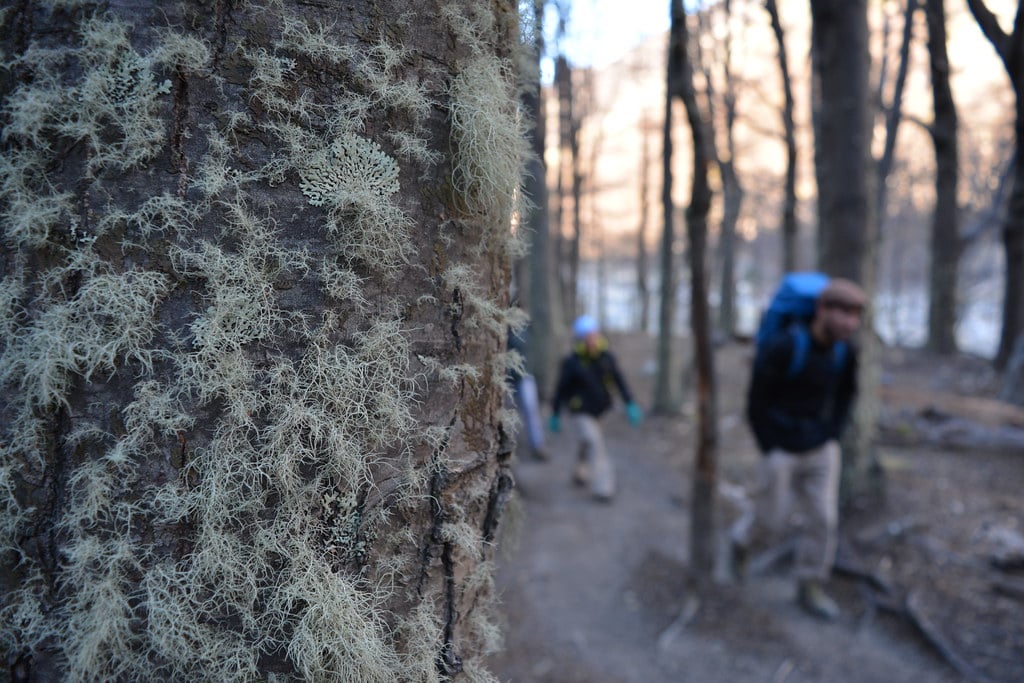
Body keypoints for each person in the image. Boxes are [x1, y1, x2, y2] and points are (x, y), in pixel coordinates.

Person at [731, 277, 866, 620]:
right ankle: (741, 542)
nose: (851, 322)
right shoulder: (785, 346)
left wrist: (832, 433)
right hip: (781, 449)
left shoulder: (844, 351)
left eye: (855, 314)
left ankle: (810, 585)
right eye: (844, 313)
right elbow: (756, 401)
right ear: (822, 310)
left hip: (821, 448)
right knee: (770, 519)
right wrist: (771, 446)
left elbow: (847, 395)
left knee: (823, 519)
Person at [549, 315, 642, 502]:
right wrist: (555, 413)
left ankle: (580, 471)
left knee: (587, 442)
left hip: (600, 410)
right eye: (587, 336)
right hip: (579, 412)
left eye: (593, 334)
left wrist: (629, 402)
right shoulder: (572, 361)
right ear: (580, 338)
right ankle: (603, 487)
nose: (592, 339)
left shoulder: (607, 357)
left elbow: (619, 380)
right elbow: (561, 388)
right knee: (594, 443)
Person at [507, 324, 549, 461]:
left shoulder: (527, 329)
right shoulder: (505, 327)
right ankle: (508, 447)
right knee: (508, 414)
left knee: (531, 411)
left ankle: (537, 445)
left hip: (525, 376)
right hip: (507, 377)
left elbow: (534, 352)